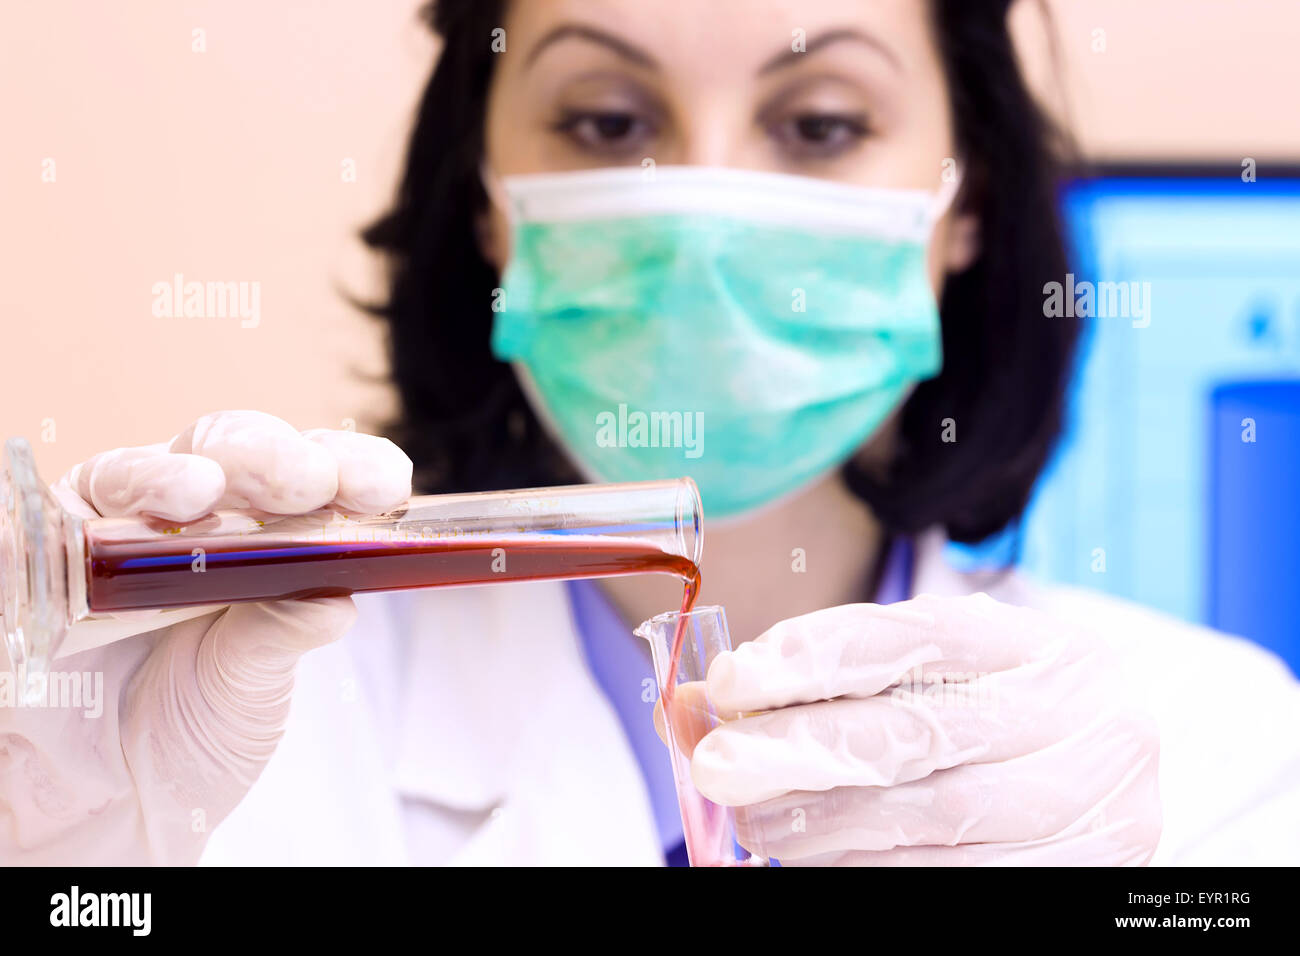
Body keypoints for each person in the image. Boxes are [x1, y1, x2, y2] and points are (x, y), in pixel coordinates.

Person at [4, 0, 1299, 867]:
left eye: (821, 125)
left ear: (966, 209)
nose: (702, 214)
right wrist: (66, 854)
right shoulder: (241, 744)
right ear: (489, 208)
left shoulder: (1205, 756)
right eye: (610, 124)